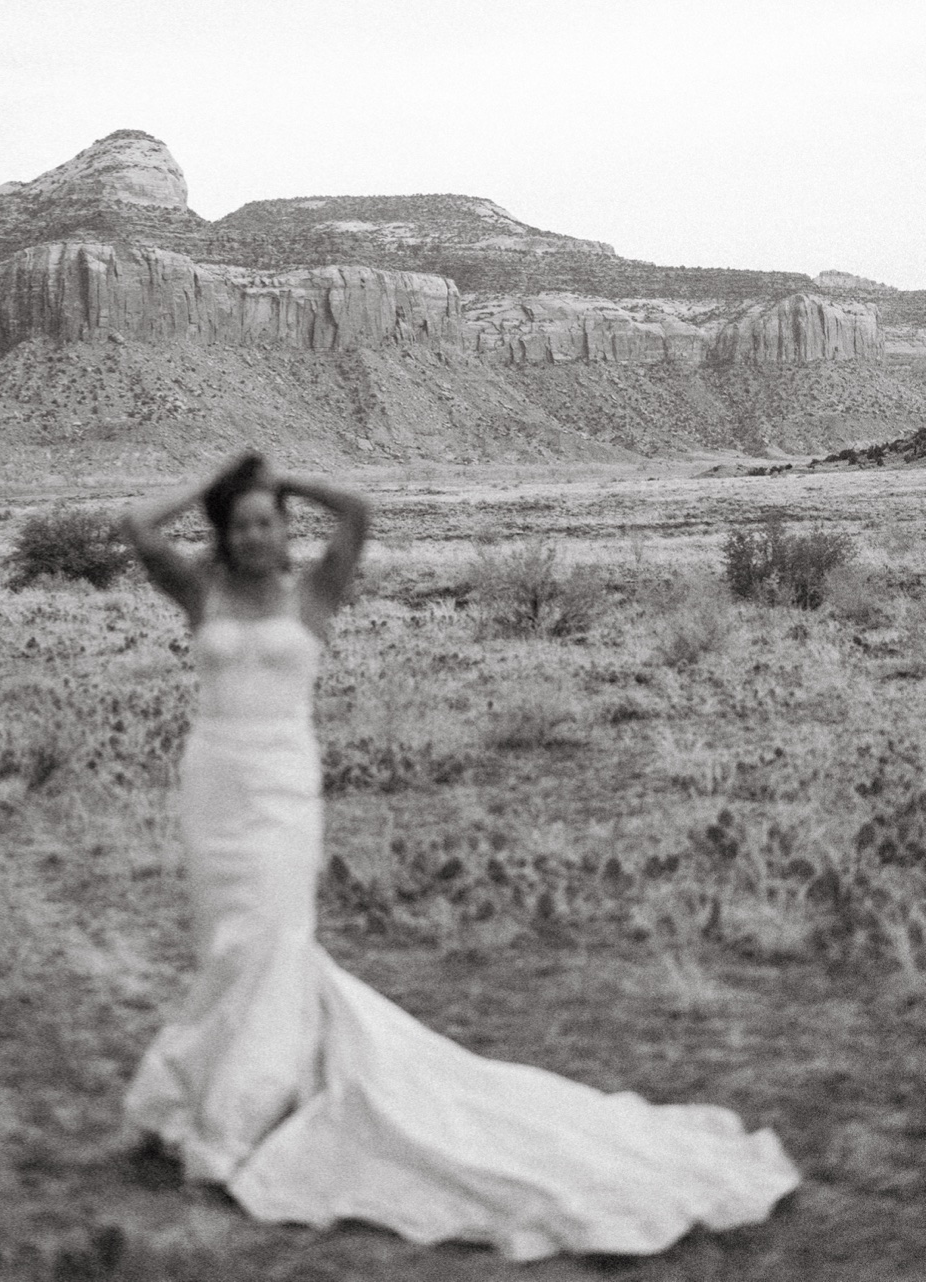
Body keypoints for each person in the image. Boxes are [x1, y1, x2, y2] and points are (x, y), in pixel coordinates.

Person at [117, 451, 798, 1261]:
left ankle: (246, 1109)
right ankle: (238, 1090)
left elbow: (360, 513)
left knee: (272, 938)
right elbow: (137, 529)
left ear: (283, 529)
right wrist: (221, 479)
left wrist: (289, 482)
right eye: (244, 524)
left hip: (283, 788)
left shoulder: (313, 591)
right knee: (227, 945)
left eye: (269, 521)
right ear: (227, 534)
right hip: (217, 784)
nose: (258, 534)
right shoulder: (205, 592)